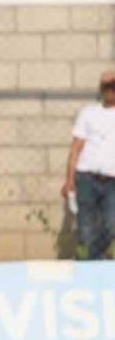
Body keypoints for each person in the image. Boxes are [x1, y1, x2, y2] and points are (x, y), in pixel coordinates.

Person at [62, 70, 115, 260]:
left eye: (114, 87)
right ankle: (87, 267)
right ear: (101, 89)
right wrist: (69, 180)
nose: (111, 91)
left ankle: (92, 259)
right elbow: (76, 148)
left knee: (111, 226)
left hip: (112, 183)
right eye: (107, 87)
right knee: (85, 230)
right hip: (87, 178)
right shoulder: (88, 113)